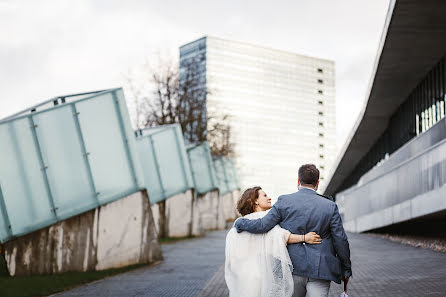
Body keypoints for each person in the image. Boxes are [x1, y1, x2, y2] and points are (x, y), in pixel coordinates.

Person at [234, 164, 352, 297]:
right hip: (320, 269)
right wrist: (346, 269)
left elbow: (262, 225)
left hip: (291, 267)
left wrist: (240, 223)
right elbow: (340, 240)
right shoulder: (330, 206)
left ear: (298, 181)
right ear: (317, 183)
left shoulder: (284, 201)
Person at [225, 186, 322, 297]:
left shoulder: (238, 223)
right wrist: (304, 238)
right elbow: (282, 236)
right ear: (255, 201)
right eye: (265, 195)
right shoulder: (266, 218)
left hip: (244, 277)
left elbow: (231, 256)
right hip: (265, 275)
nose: (269, 198)